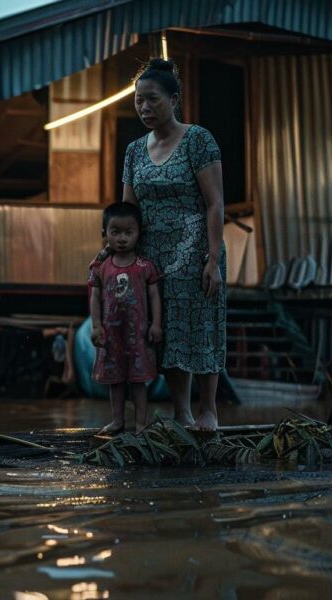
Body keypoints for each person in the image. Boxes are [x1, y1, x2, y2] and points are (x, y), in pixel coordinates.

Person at [120, 57, 226, 431]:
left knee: (200, 328)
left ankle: (209, 410)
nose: (145, 108)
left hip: (195, 251)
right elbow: (128, 210)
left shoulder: (198, 139)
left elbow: (215, 202)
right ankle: (181, 412)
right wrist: (116, 253)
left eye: (153, 100)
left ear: (174, 99)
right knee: (166, 335)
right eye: (138, 101)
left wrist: (213, 259)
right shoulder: (134, 151)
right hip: (152, 258)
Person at [89, 202, 162, 435]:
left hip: (138, 335)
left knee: (138, 381)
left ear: (139, 234)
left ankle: (141, 423)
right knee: (115, 381)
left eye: (128, 233)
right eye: (115, 232)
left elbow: (154, 296)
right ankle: (117, 421)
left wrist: (156, 324)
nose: (122, 238)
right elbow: (95, 296)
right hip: (112, 335)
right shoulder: (101, 267)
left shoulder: (145, 267)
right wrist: (96, 326)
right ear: (105, 234)